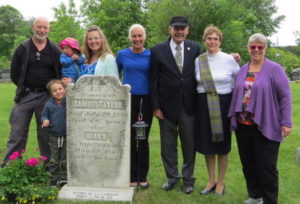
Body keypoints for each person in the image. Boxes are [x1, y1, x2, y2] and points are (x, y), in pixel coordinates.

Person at [228, 33, 292, 204]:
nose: (256, 50)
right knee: (248, 163)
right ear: (248, 48)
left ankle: (269, 200)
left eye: (260, 47)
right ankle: (255, 195)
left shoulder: (274, 69)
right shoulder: (243, 69)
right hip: (243, 125)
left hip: (265, 124)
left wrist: (286, 122)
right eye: (253, 47)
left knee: (266, 166)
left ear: (265, 49)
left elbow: (285, 97)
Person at [149, 16, 200, 194]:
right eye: (176, 28)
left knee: (189, 144)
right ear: (169, 30)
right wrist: (155, 106)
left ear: (187, 30)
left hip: (188, 105)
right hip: (166, 107)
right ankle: (172, 177)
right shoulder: (157, 50)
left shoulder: (194, 48)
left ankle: (188, 179)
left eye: (182, 28)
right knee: (168, 146)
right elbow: (153, 80)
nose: (179, 31)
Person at [1, 17, 61, 166]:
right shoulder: (23, 48)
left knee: (45, 133)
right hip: (25, 95)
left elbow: (58, 73)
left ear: (49, 29)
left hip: (46, 97)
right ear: (33, 27)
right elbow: (15, 73)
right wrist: (24, 87)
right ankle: (10, 167)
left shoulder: (54, 50)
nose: (42, 30)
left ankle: (49, 167)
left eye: (45, 27)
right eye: (39, 27)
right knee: (17, 132)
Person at [194, 25, 240, 196]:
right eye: (209, 38)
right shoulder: (199, 60)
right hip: (203, 105)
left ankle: (220, 182)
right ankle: (210, 180)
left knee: (221, 146)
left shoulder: (229, 60)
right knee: (207, 146)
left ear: (220, 41)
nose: (212, 41)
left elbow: (239, 80)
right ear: (204, 40)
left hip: (222, 105)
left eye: (215, 39)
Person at [116, 24, 152, 189]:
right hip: (127, 99)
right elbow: (115, 75)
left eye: (140, 35)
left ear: (144, 37)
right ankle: (130, 175)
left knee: (142, 138)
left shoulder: (151, 55)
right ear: (129, 38)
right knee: (129, 139)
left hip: (146, 100)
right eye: (134, 36)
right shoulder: (122, 55)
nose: (137, 39)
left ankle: (142, 175)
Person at [41, 79, 67, 187]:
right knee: (54, 159)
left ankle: (64, 178)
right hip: (54, 135)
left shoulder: (68, 102)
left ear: (65, 89)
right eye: (54, 90)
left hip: (66, 135)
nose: (58, 92)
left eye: (60, 89)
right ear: (51, 93)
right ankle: (53, 178)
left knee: (65, 158)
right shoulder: (49, 105)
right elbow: (43, 115)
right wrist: (45, 120)